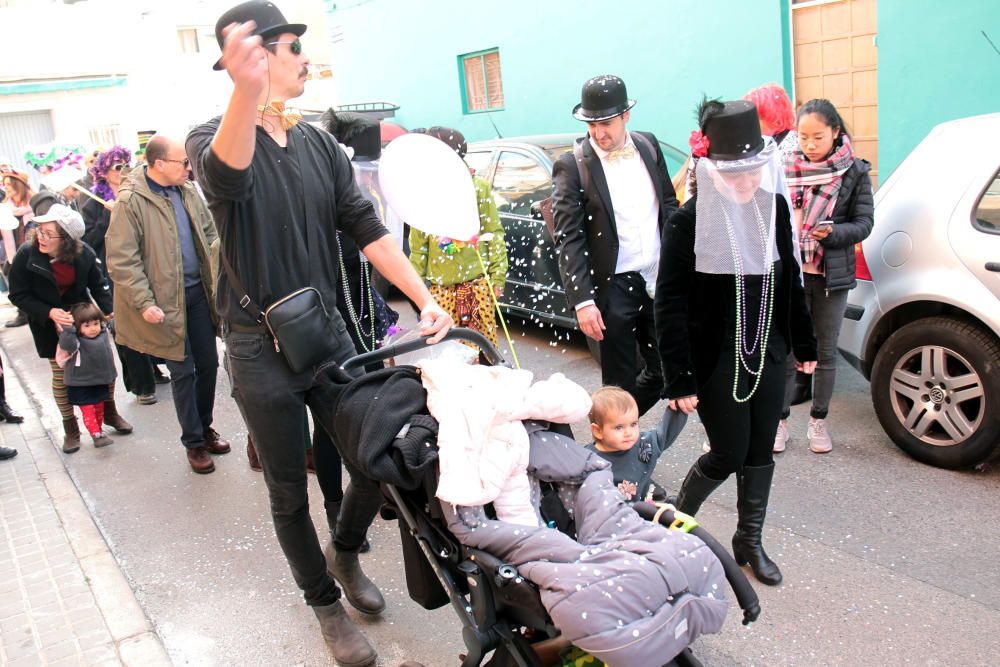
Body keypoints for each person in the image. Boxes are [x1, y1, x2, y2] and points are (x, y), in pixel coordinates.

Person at [187, 3, 453, 663]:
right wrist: (244, 97)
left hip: (328, 333)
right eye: (292, 47)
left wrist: (423, 296)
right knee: (286, 487)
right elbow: (226, 175)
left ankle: (346, 549)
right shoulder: (209, 136)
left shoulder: (316, 144)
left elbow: (365, 225)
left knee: (375, 447)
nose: (306, 59)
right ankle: (326, 606)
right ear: (255, 58)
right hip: (258, 345)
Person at [654, 100, 818, 586]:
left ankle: (749, 539)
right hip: (716, 354)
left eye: (754, 172)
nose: (748, 183)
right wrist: (678, 377)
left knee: (761, 447)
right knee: (728, 452)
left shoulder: (775, 206)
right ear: (712, 168)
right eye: (736, 173)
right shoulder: (688, 221)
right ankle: (677, 523)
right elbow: (670, 303)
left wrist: (806, 345)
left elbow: (789, 280)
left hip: (767, 347)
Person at [552, 75, 679, 416]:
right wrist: (582, 300)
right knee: (619, 383)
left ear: (626, 116)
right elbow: (569, 237)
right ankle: (619, 452)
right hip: (614, 286)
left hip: (656, 276)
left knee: (669, 369)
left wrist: (681, 265)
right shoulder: (573, 164)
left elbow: (669, 206)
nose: (598, 133)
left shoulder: (649, 147)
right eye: (591, 124)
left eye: (606, 123)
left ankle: (617, 427)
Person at [105, 135, 231, 474]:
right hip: (162, 305)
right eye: (183, 162)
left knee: (208, 366)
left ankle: (205, 428)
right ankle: (193, 442)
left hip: (198, 295)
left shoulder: (188, 192)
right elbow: (121, 260)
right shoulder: (131, 202)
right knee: (183, 372)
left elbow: (210, 235)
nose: (189, 168)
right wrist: (144, 302)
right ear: (159, 164)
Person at [774, 99, 874, 454]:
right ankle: (780, 422)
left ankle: (818, 422)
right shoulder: (784, 168)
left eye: (818, 136)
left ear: (835, 132)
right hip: (792, 275)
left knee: (825, 352)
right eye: (803, 136)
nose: (810, 144)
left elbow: (864, 224)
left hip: (831, 276)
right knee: (785, 350)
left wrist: (833, 233)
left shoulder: (855, 172)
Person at [8, 204, 132, 453]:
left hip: (83, 318)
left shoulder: (83, 254)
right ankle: (70, 429)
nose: (40, 237)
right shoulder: (26, 255)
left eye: (48, 233)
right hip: (47, 323)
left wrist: (111, 315)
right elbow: (18, 295)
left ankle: (109, 412)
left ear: (66, 239)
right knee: (61, 374)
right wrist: (49, 312)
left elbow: (98, 286)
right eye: (39, 231)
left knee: (101, 366)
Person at [409, 126, 507, 348]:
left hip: (477, 287)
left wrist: (497, 276)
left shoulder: (477, 187)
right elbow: (418, 249)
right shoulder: (424, 194)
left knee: (481, 353)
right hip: (439, 293)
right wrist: (418, 293)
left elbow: (494, 232)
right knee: (447, 355)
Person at [83, 146, 161, 406]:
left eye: (127, 164)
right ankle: (142, 384)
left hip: (149, 265)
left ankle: (156, 366)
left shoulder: (139, 191)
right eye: (118, 166)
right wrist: (108, 215)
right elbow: (90, 242)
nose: (123, 170)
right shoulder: (93, 204)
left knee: (156, 317)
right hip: (117, 272)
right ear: (103, 173)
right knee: (128, 326)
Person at [585, 386, 686, 503]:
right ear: (598, 431)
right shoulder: (589, 463)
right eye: (619, 427)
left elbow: (664, 433)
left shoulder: (643, 445)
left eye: (633, 424)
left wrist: (680, 406)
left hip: (644, 508)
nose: (628, 433)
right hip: (615, 517)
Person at [56, 303, 118, 448]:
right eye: (87, 325)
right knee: (88, 408)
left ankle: (99, 430)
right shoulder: (75, 340)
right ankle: (95, 434)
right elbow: (67, 344)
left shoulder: (102, 334)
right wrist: (68, 329)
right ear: (78, 327)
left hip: (99, 380)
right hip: (81, 383)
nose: (93, 329)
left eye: (96, 323)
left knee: (99, 406)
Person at [1, 167, 35, 328]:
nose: (5, 186)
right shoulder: (6, 208)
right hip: (14, 252)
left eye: (8, 183)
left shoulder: (33, 203)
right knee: (16, 283)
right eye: (4, 183)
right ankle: (23, 313)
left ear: (17, 184)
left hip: (32, 249)